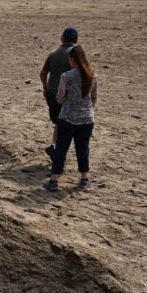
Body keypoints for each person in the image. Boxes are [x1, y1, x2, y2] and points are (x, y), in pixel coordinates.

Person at [45, 45, 97, 192]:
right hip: (86, 118)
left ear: (73, 59)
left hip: (68, 117)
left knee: (61, 148)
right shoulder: (91, 75)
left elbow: (60, 99)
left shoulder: (66, 76)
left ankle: (54, 181)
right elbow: (94, 98)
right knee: (83, 148)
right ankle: (84, 179)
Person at [40, 27, 79, 160]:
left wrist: (45, 87)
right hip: (67, 94)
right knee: (67, 124)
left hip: (51, 93)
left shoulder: (53, 53)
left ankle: (55, 147)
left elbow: (43, 73)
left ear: (62, 39)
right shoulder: (76, 53)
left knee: (59, 121)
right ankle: (57, 149)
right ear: (76, 39)